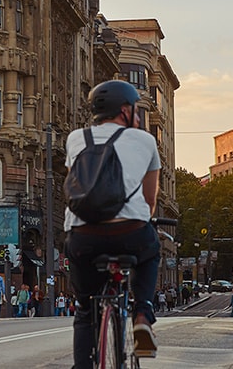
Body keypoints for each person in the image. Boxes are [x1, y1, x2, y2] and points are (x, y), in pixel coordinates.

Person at [65, 79, 162, 366]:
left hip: (83, 236)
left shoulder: (75, 138)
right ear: (124, 110)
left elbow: (77, 184)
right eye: (135, 109)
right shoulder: (145, 140)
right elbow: (149, 200)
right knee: (151, 250)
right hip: (129, 231)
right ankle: (142, 313)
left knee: (85, 308)